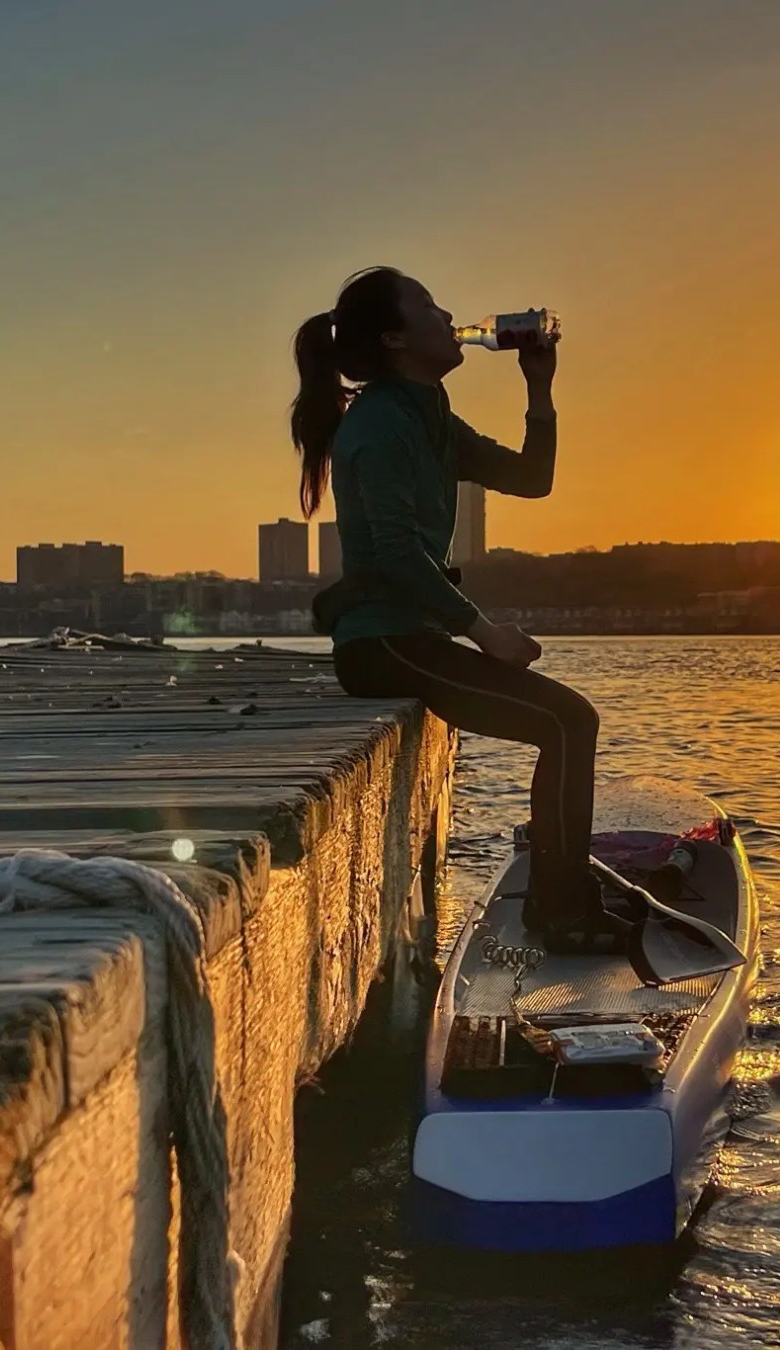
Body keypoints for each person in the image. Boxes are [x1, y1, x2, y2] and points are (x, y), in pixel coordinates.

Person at [289, 267, 623, 952]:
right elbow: (394, 558)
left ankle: (562, 900)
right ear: (394, 339)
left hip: (412, 633)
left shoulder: (429, 414)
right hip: (383, 641)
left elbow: (533, 480)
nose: (450, 317)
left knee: (567, 722)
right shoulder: (379, 424)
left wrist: (538, 385)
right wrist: (483, 632)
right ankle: (560, 911)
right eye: (429, 307)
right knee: (567, 722)